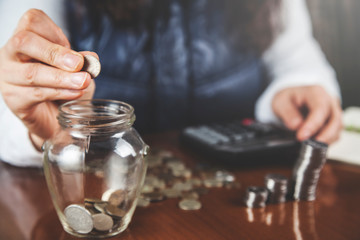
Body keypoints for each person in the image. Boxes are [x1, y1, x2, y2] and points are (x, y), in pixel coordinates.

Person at [0, 0, 342, 167]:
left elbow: (296, 59)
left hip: (240, 182)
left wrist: (300, 86)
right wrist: (42, 130)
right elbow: (10, 100)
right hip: (96, 182)